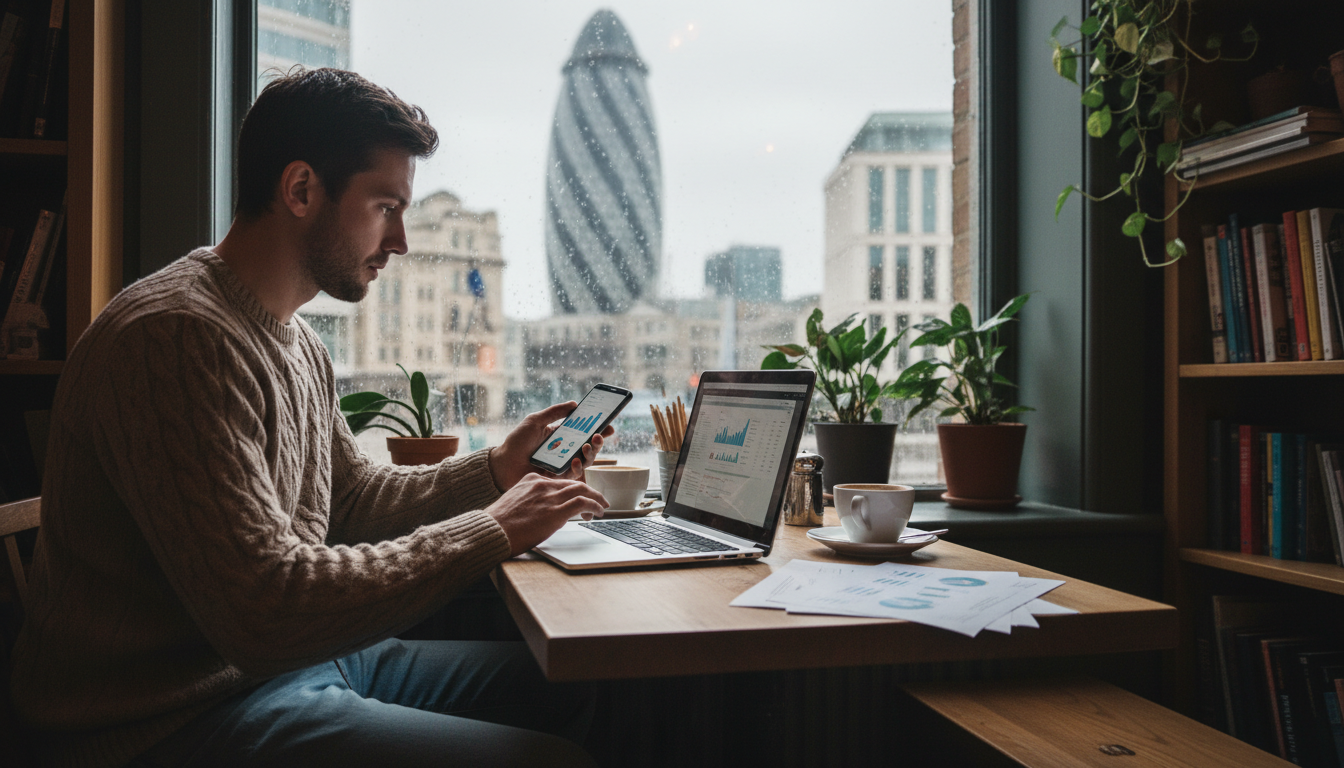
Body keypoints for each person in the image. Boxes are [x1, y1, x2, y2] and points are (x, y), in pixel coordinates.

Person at [10, 68, 609, 768]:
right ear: (300, 190)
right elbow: (266, 609)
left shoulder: (296, 339)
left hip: (288, 671)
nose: (403, 241)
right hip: (167, 719)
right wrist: (496, 528)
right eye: (385, 206)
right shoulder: (173, 338)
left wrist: (497, 470)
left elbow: (350, 505)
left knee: (583, 685)